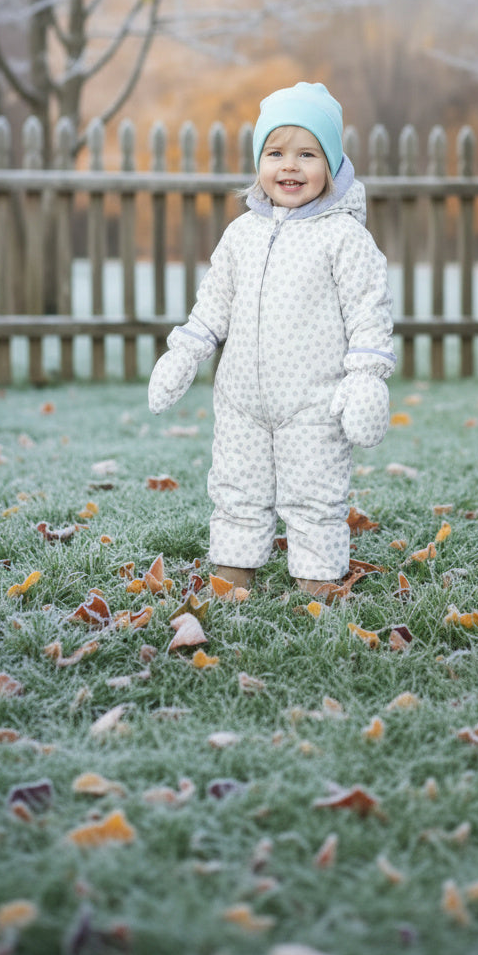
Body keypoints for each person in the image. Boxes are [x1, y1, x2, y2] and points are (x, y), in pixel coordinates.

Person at [148, 81, 395, 596]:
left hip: (314, 401)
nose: (290, 166)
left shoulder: (344, 237)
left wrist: (367, 376)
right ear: (259, 161)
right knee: (237, 488)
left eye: (307, 154)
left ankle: (316, 580)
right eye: (276, 152)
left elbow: (368, 312)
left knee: (314, 493)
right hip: (241, 399)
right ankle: (233, 571)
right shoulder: (241, 234)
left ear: (330, 164)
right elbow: (214, 301)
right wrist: (186, 350)